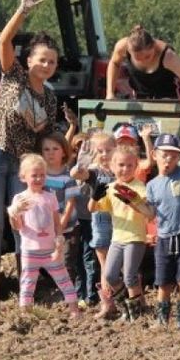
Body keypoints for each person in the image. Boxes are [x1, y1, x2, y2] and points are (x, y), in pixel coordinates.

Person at [0, 0, 58, 312]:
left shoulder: (50, 99)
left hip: (21, 165)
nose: (47, 65)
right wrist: (22, 11)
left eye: (52, 62)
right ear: (29, 61)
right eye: (41, 59)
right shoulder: (14, 76)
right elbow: (4, 40)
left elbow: (45, 140)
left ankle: (27, 294)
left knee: (26, 226)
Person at [130, 133, 180, 328]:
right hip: (164, 238)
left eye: (174, 156)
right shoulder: (151, 185)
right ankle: (161, 320)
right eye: (165, 154)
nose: (169, 159)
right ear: (154, 154)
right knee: (163, 282)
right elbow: (149, 214)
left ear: (179, 158)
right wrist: (133, 202)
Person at [6, 154, 81, 318]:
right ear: (23, 177)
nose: (39, 178)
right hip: (29, 250)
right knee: (27, 282)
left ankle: (74, 309)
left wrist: (59, 240)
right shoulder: (20, 199)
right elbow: (17, 227)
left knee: (64, 279)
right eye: (34, 175)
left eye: (42, 175)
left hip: (49, 250)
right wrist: (14, 213)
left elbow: (56, 222)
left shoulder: (50, 197)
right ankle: (25, 312)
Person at [91, 145, 149, 321]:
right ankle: (127, 306)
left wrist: (131, 198)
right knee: (109, 275)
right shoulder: (110, 187)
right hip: (117, 238)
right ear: (112, 166)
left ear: (136, 166)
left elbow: (144, 207)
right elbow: (93, 209)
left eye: (130, 165)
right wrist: (94, 196)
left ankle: (136, 314)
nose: (125, 169)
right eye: (121, 165)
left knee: (130, 276)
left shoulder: (139, 186)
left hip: (135, 238)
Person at [106, 25, 180, 104]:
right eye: (138, 58)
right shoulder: (122, 47)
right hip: (142, 94)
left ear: (154, 46)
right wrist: (110, 93)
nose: (144, 61)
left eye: (148, 56)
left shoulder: (168, 57)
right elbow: (114, 63)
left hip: (171, 95)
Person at [70, 131, 116, 316]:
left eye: (108, 150)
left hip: (121, 221)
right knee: (105, 265)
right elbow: (76, 173)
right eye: (100, 151)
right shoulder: (95, 173)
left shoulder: (120, 169)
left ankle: (130, 300)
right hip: (101, 221)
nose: (105, 154)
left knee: (122, 264)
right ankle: (107, 302)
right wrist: (82, 161)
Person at [40, 132, 82, 304]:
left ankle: (67, 293)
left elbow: (71, 201)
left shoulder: (68, 176)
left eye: (55, 149)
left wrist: (63, 223)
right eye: (46, 149)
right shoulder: (40, 176)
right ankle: (55, 288)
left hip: (67, 227)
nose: (50, 152)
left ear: (64, 152)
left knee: (66, 261)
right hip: (46, 228)